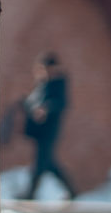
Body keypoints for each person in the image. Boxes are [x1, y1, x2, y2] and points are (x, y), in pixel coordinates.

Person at [21, 53, 75, 201]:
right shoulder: (42, 84)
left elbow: (60, 103)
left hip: (49, 130)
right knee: (49, 163)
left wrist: (46, 109)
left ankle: (30, 194)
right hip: (40, 130)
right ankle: (72, 191)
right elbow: (32, 103)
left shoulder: (58, 83)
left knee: (41, 163)